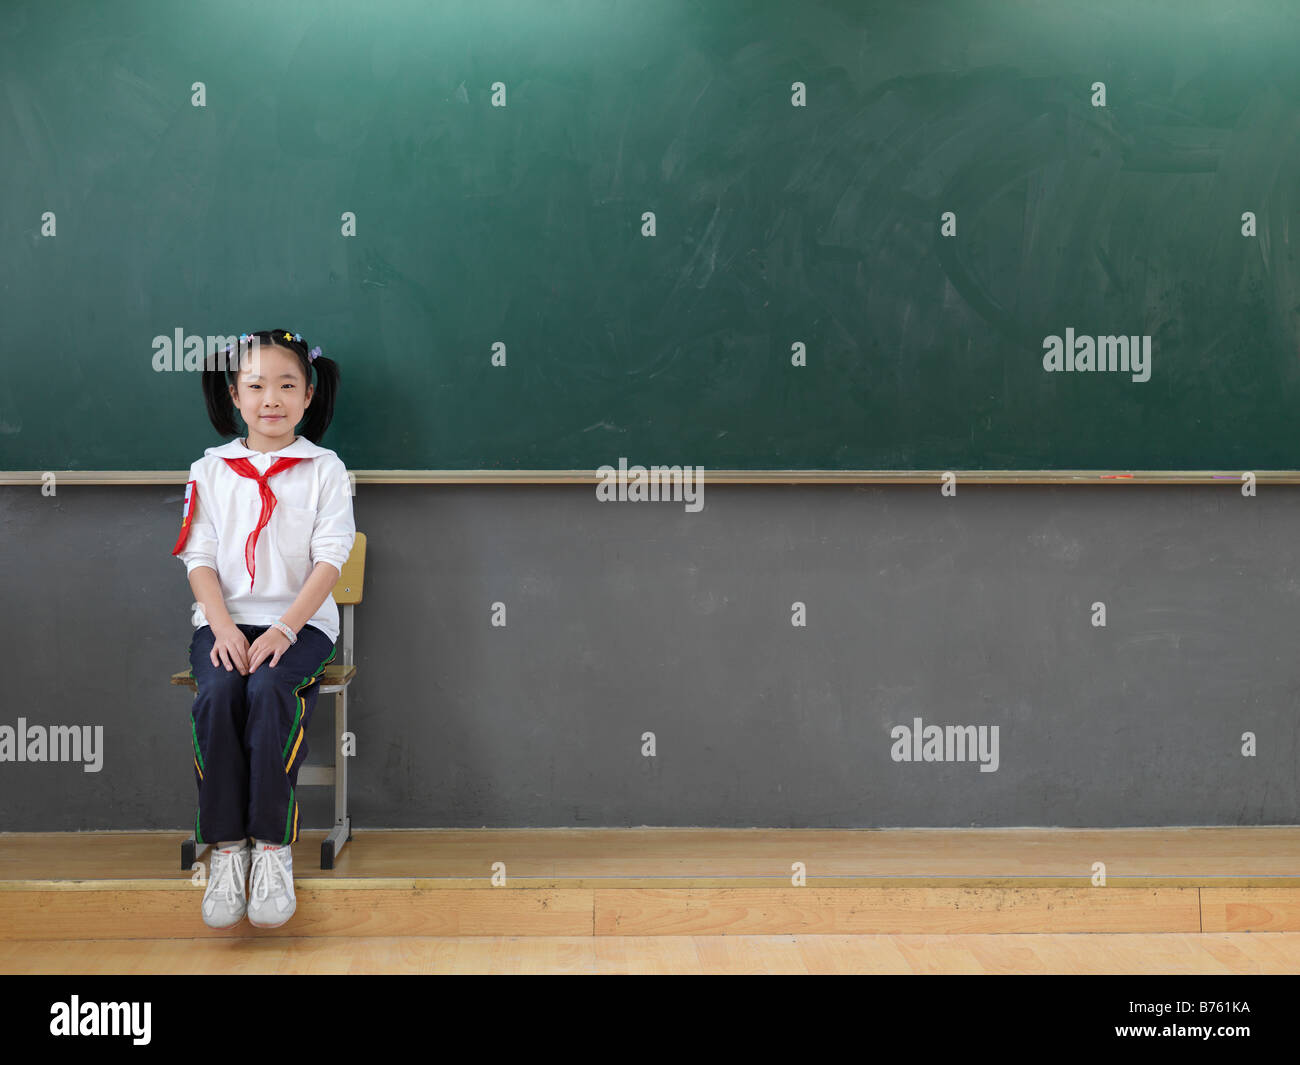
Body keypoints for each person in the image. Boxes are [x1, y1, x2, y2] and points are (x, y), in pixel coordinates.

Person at [172, 329, 355, 929]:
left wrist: (282, 628)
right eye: (256, 386)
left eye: (286, 386)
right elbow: (197, 557)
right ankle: (227, 850)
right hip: (225, 622)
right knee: (221, 691)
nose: (270, 398)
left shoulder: (325, 469)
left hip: (300, 624)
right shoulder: (210, 469)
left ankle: (272, 849)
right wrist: (223, 628)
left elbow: (331, 558)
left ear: (308, 397)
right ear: (234, 396)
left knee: (270, 690)